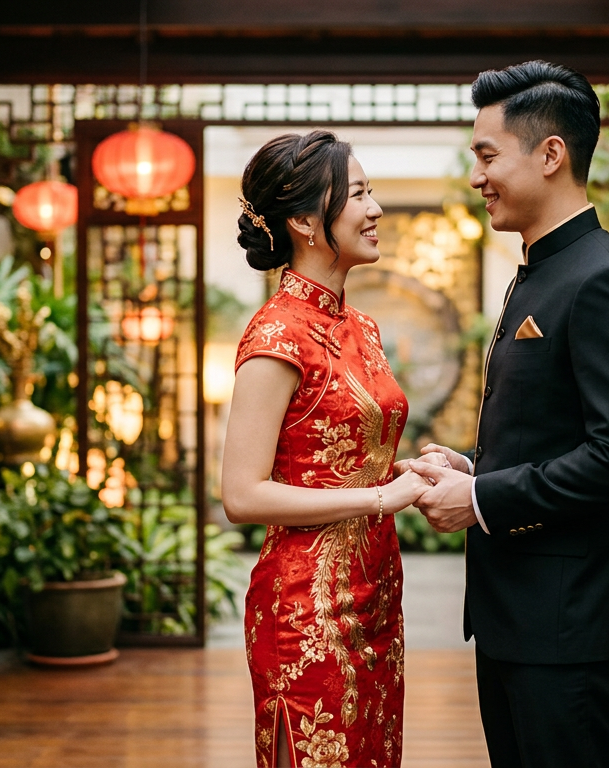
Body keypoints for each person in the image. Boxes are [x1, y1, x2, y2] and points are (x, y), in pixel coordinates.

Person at [405, 61, 609, 768]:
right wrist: (469, 467)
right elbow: (549, 432)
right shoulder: (538, 272)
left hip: (569, 625)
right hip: (517, 619)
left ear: (551, 154)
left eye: (487, 155)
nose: (476, 176)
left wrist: (482, 497)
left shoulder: (606, 278)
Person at [220, 130, 438, 768]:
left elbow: (334, 457)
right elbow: (241, 493)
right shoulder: (275, 333)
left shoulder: (359, 325)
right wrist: (381, 495)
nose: (376, 210)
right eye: (360, 195)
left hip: (375, 594)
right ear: (305, 221)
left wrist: (405, 471)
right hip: (306, 610)